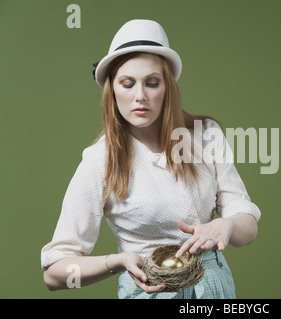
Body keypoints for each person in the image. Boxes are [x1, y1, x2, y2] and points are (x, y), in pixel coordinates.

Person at [40, 19, 261, 299]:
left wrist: (227, 225)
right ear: (112, 91)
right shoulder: (100, 160)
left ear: (167, 87)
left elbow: (247, 227)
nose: (140, 96)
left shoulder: (206, 136)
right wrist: (117, 262)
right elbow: (54, 273)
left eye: (152, 83)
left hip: (215, 290)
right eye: (128, 84)